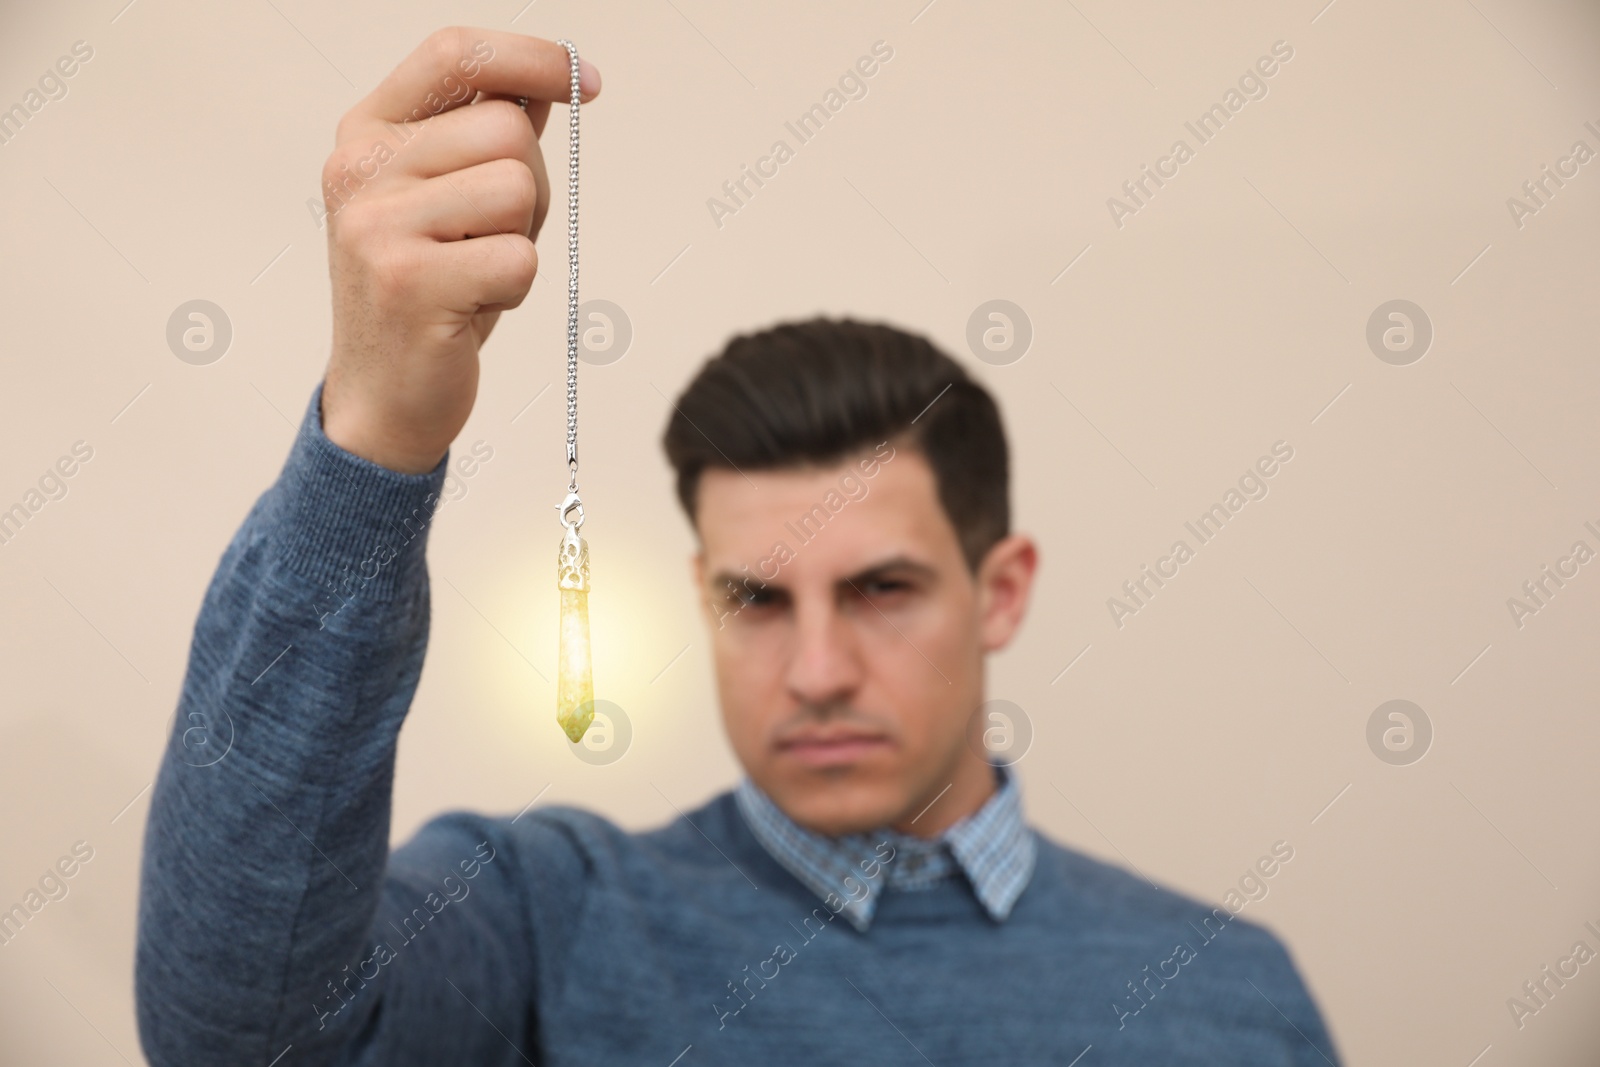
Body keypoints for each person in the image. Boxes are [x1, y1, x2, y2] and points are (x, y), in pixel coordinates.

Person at [134, 26, 1340, 1066]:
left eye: (881, 589)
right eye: (757, 598)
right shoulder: (554, 913)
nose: (815, 669)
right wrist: (376, 430)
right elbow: (246, 1039)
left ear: (1001, 590)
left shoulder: (1228, 996)